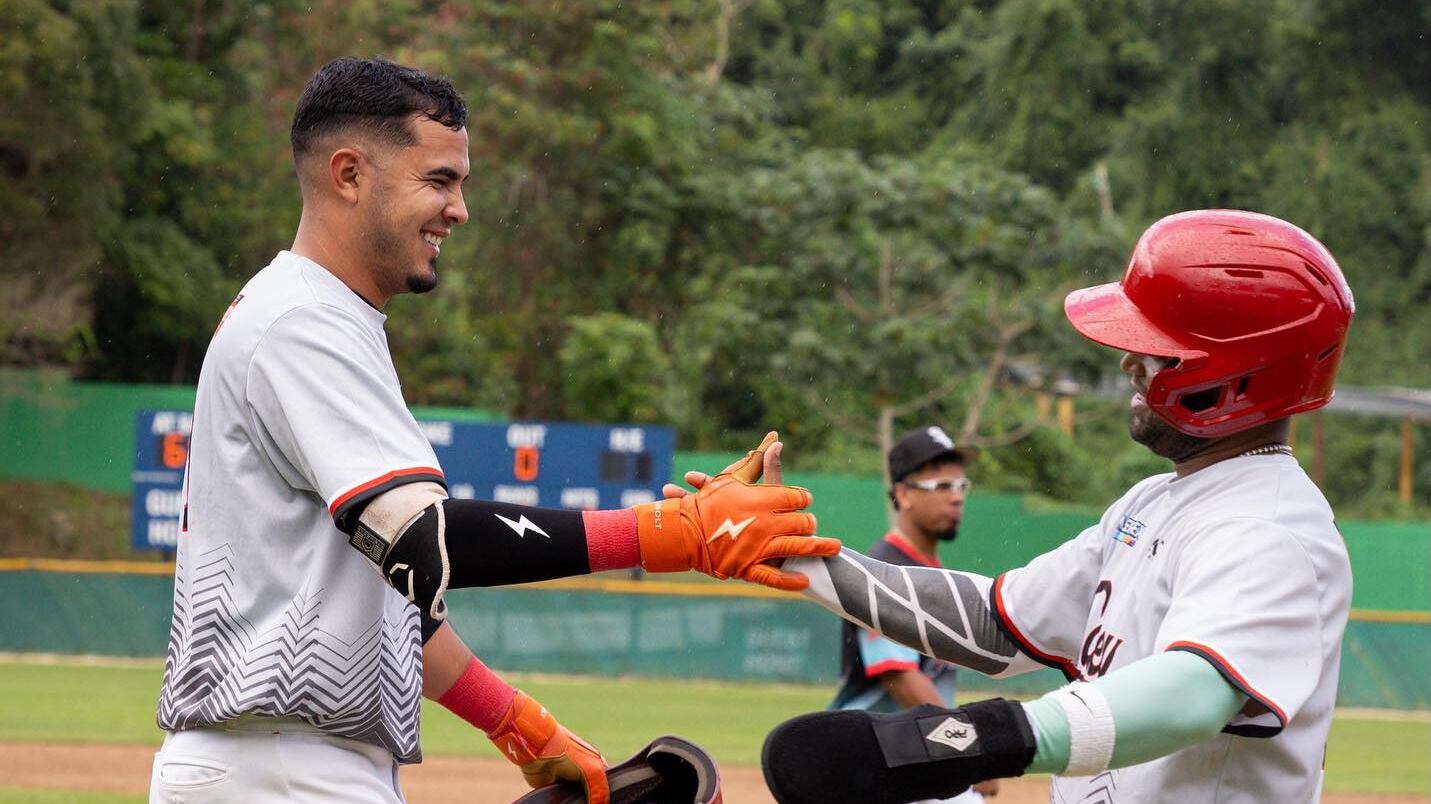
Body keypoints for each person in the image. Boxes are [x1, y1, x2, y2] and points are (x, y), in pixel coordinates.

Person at [151, 56, 839, 804]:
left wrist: (518, 723)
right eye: (438, 180)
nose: (459, 209)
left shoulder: (316, 315)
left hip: (282, 763)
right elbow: (428, 542)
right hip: (282, 769)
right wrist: (668, 533)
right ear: (349, 175)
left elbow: (380, 590)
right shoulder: (304, 322)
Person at [676, 210, 1355, 803]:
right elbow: (995, 623)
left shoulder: (1270, 530)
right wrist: (790, 555)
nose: (1128, 364)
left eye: (1154, 351)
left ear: (1230, 377)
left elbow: (1193, 695)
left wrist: (967, 739)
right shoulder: (1156, 501)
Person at [829, 426, 998, 802]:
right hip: (876, 759)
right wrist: (968, 751)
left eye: (960, 487)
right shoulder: (883, 573)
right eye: (940, 486)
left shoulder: (928, 573)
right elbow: (900, 677)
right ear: (903, 494)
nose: (955, 498)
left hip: (910, 753)